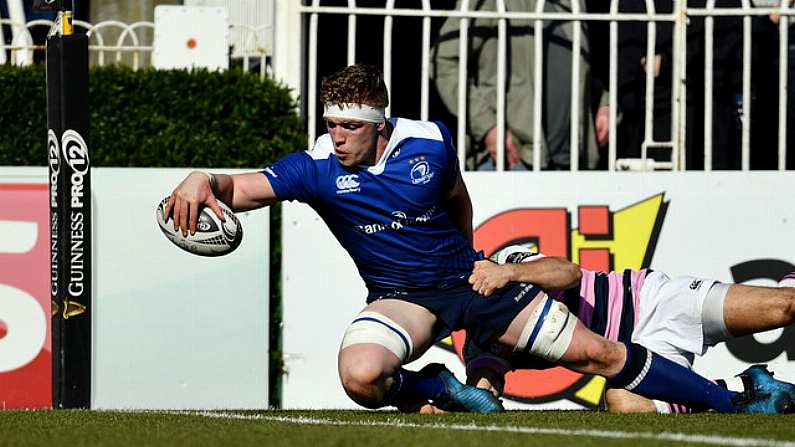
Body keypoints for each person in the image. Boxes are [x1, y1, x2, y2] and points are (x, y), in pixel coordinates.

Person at [165, 63, 786, 415]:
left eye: (351, 126)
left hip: (468, 278)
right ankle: (436, 385)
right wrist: (204, 179)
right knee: (359, 377)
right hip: (401, 296)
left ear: (379, 124)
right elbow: (243, 188)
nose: (339, 137)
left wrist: (477, 261)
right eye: (331, 125)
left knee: (597, 357)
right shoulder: (315, 166)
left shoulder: (430, 144)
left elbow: (459, 201)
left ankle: (737, 402)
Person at [456, 245, 795, 413]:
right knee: (622, 403)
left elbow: (568, 273)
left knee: (784, 306)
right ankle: (743, 387)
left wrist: (509, 274)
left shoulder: (505, 261)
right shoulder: (479, 339)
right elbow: (482, 398)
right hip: (634, 363)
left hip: (654, 301)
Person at [431, 0, 610, 171]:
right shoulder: (492, 2)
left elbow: (577, 70)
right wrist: (487, 126)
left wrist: (603, 103)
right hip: (514, 159)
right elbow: (443, 63)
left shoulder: (572, 3)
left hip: (573, 162)